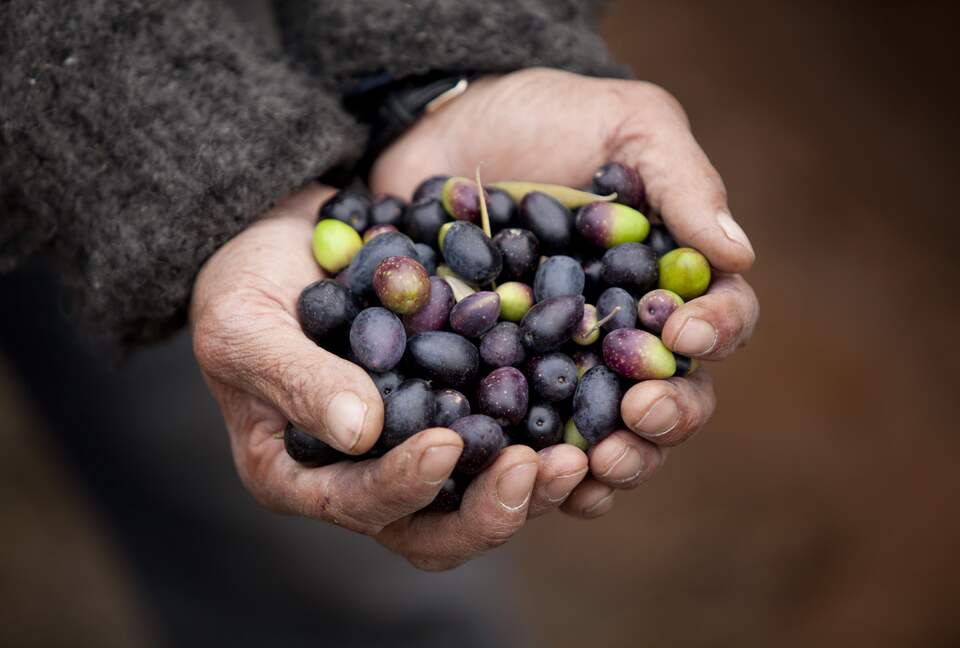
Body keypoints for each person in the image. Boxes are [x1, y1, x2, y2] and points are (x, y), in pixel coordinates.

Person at [1, 0, 759, 643]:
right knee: (268, 480)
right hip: (70, 137)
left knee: (344, 572)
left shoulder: (501, 306)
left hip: (230, 194)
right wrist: (205, 189)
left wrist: (443, 61)